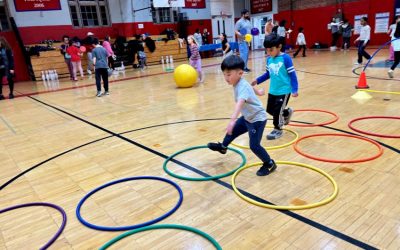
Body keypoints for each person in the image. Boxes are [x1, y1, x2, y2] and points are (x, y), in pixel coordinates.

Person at [207, 55, 277, 176]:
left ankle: (269, 163)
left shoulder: (242, 86)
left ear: (240, 73)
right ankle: (223, 147)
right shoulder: (240, 81)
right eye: (224, 74)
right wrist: (258, 92)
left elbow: (240, 103)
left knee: (254, 145)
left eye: (228, 74)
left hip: (257, 119)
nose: (226, 78)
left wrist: (232, 120)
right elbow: (249, 86)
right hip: (247, 117)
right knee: (231, 132)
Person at [251, 33, 299, 140]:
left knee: (277, 112)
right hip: (273, 90)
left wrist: (294, 89)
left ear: (279, 47)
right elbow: (268, 74)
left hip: (284, 90)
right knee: (269, 109)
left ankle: (278, 129)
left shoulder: (285, 58)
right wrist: (257, 81)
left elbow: (292, 74)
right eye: (267, 50)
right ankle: (286, 113)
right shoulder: (269, 59)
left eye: (271, 50)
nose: (268, 52)